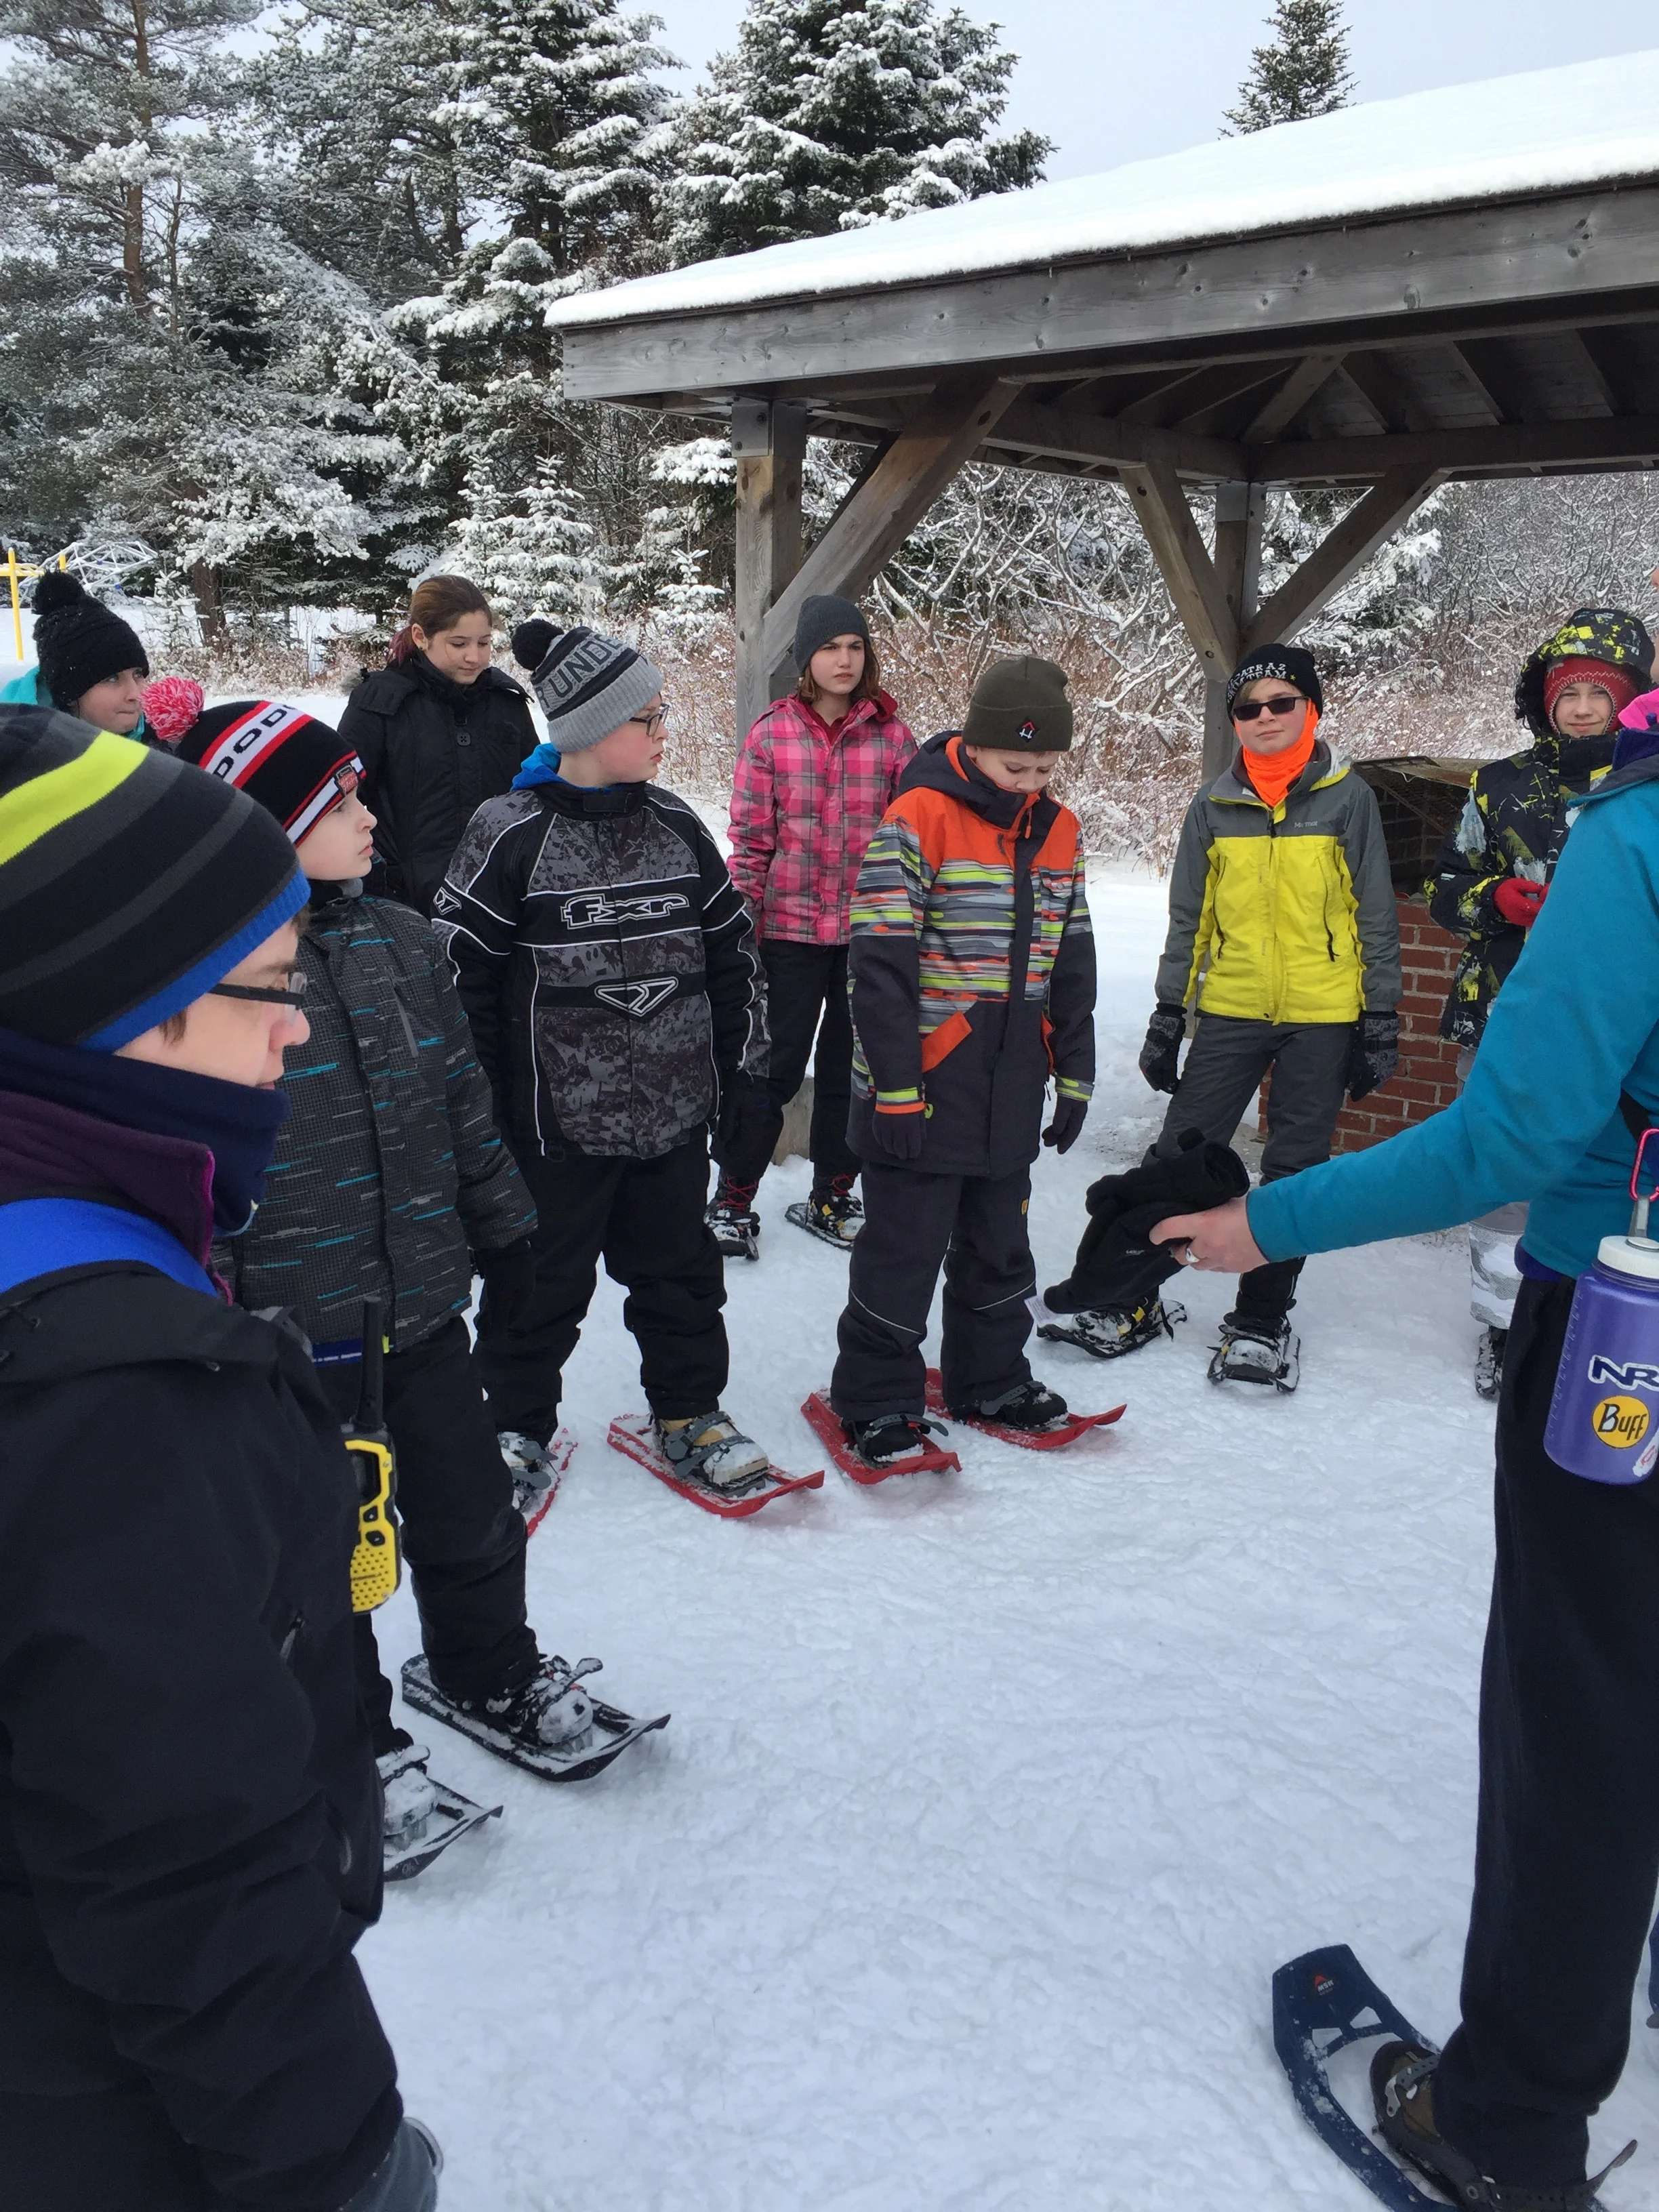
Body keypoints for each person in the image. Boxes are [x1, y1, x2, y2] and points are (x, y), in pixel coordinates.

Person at [1151, 678, 1659, 2212]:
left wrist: (1269, 1217)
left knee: (1581, 1722)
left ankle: (1498, 2126)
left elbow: (1508, 1135)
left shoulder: (1629, 842)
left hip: (1622, 1338)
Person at [0, 703, 437, 2211]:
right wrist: (340, 2163)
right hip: (104, 2111)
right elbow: (188, 1864)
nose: (296, 1022)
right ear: (106, 1016)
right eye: (260, 988)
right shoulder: (118, 1395)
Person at [176, 702, 605, 1801]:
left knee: (469, 1509)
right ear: (271, 824)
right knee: (326, 1553)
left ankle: (486, 1664)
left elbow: (462, 1100)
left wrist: (507, 1227)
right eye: (344, 800)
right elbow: (187, 1160)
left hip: (418, 1306)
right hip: (290, 1332)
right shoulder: (214, 977)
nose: (372, 817)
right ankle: (346, 1727)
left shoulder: (406, 941)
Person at [433, 623, 777, 1492]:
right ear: (588, 730)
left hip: (671, 1118)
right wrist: (480, 1119)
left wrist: (745, 1080)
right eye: (651, 719)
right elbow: (458, 984)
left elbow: (734, 957)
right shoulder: (507, 834)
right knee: (535, 1289)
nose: (665, 734)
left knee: (681, 1279)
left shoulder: (676, 826)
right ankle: (511, 1428)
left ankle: (690, 1414)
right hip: (553, 1130)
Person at [1040, 642, 1399, 1391]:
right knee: (1178, 1156)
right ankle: (1125, 1299)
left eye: (1282, 703)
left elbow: (1375, 915)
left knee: (1294, 1168)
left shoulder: (1348, 799)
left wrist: (1380, 1017)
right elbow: (1189, 919)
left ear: (1312, 710)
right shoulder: (1213, 805)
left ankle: (1262, 1319)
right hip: (1232, 1006)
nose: (1265, 718)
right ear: (1234, 721)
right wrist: (1170, 1012)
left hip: (1324, 1012)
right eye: (1248, 708)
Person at [826, 655, 1095, 1467]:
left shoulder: (1059, 829)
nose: (1031, 782)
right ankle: (876, 1399)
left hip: (1010, 1082)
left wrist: (1073, 1072)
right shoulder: (917, 816)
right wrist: (897, 1089)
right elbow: (878, 964)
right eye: (1018, 765)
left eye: (1047, 768)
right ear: (976, 747)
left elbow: (1071, 956)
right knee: (902, 1252)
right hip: (926, 1082)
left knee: (999, 1250)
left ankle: (992, 1378)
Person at [1429, 607, 1654, 1400]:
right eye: (1570, 691)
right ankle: (1505, 1325)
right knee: (1507, 1176)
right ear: (1544, 699)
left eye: (1604, 690)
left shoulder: (1646, 787)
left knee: (1615, 1178)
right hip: (1505, 1014)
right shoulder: (1500, 786)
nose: (1585, 706)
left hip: (1625, 1032)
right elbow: (1443, 891)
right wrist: (1499, 901)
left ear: (1634, 696)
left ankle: (1602, 1322)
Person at [709, 594, 916, 1258]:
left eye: (855, 647)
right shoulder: (773, 734)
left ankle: (834, 1190)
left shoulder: (893, 738)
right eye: (831, 648)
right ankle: (734, 1195)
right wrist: (743, 929)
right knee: (770, 1066)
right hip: (789, 935)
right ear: (807, 659)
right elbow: (750, 844)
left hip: (865, 937)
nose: (845, 660)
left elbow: (911, 838)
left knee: (849, 1070)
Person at [338, 575, 537, 915]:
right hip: (404, 904)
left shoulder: (507, 704)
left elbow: (534, 793)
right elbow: (338, 799)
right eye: (459, 644)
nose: (474, 657)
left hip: (501, 899)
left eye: (484, 643)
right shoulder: (379, 704)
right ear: (421, 637)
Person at [1, 570, 160, 742]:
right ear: (69, 696)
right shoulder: (16, 760)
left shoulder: (161, 739)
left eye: (137, 675)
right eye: (113, 678)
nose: (136, 694)